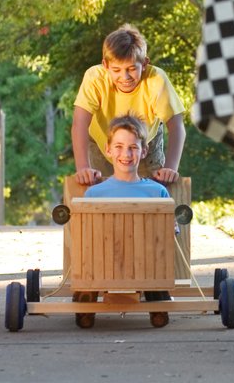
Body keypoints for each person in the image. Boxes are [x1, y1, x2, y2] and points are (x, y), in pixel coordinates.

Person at [80, 115, 174, 328]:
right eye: (119, 146)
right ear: (108, 150)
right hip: (102, 262)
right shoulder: (94, 193)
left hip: (147, 262)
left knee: (155, 256)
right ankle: (86, 296)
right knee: (89, 251)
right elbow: (84, 235)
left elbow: (170, 232)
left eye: (133, 147)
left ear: (144, 151)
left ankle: (157, 297)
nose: (126, 154)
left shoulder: (157, 191)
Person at [72, 23, 186, 187]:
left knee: (155, 190)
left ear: (145, 64)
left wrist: (170, 168)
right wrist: (83, 168)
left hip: (144, 144)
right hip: (103, 142)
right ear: (105, 65)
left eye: (132, 68)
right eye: (116, 70)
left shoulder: (156, 80)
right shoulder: (94, 78)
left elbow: (176, 127)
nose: (124, 77)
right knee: (101, 192)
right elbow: (79, 124)